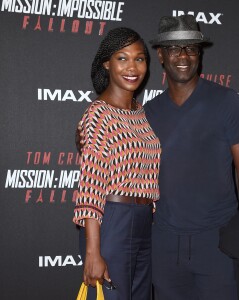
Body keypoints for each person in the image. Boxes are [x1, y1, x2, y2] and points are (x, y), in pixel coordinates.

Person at [144, 15, 239, 300]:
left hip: (218, 241)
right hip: (165, 244)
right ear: (161, 55)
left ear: (199, 54)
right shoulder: (148, 112)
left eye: (190, 48)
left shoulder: (226, 101)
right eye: (174, 48)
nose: (183, 56)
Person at [73, 27, 161, 300]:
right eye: (122, 58)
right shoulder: (99, 113)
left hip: (145, 223)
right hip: (112, 221)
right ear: (107, 64)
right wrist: (93, 252)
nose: (132, 67)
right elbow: (90, 184)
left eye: (140, 58)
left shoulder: (141, 113)